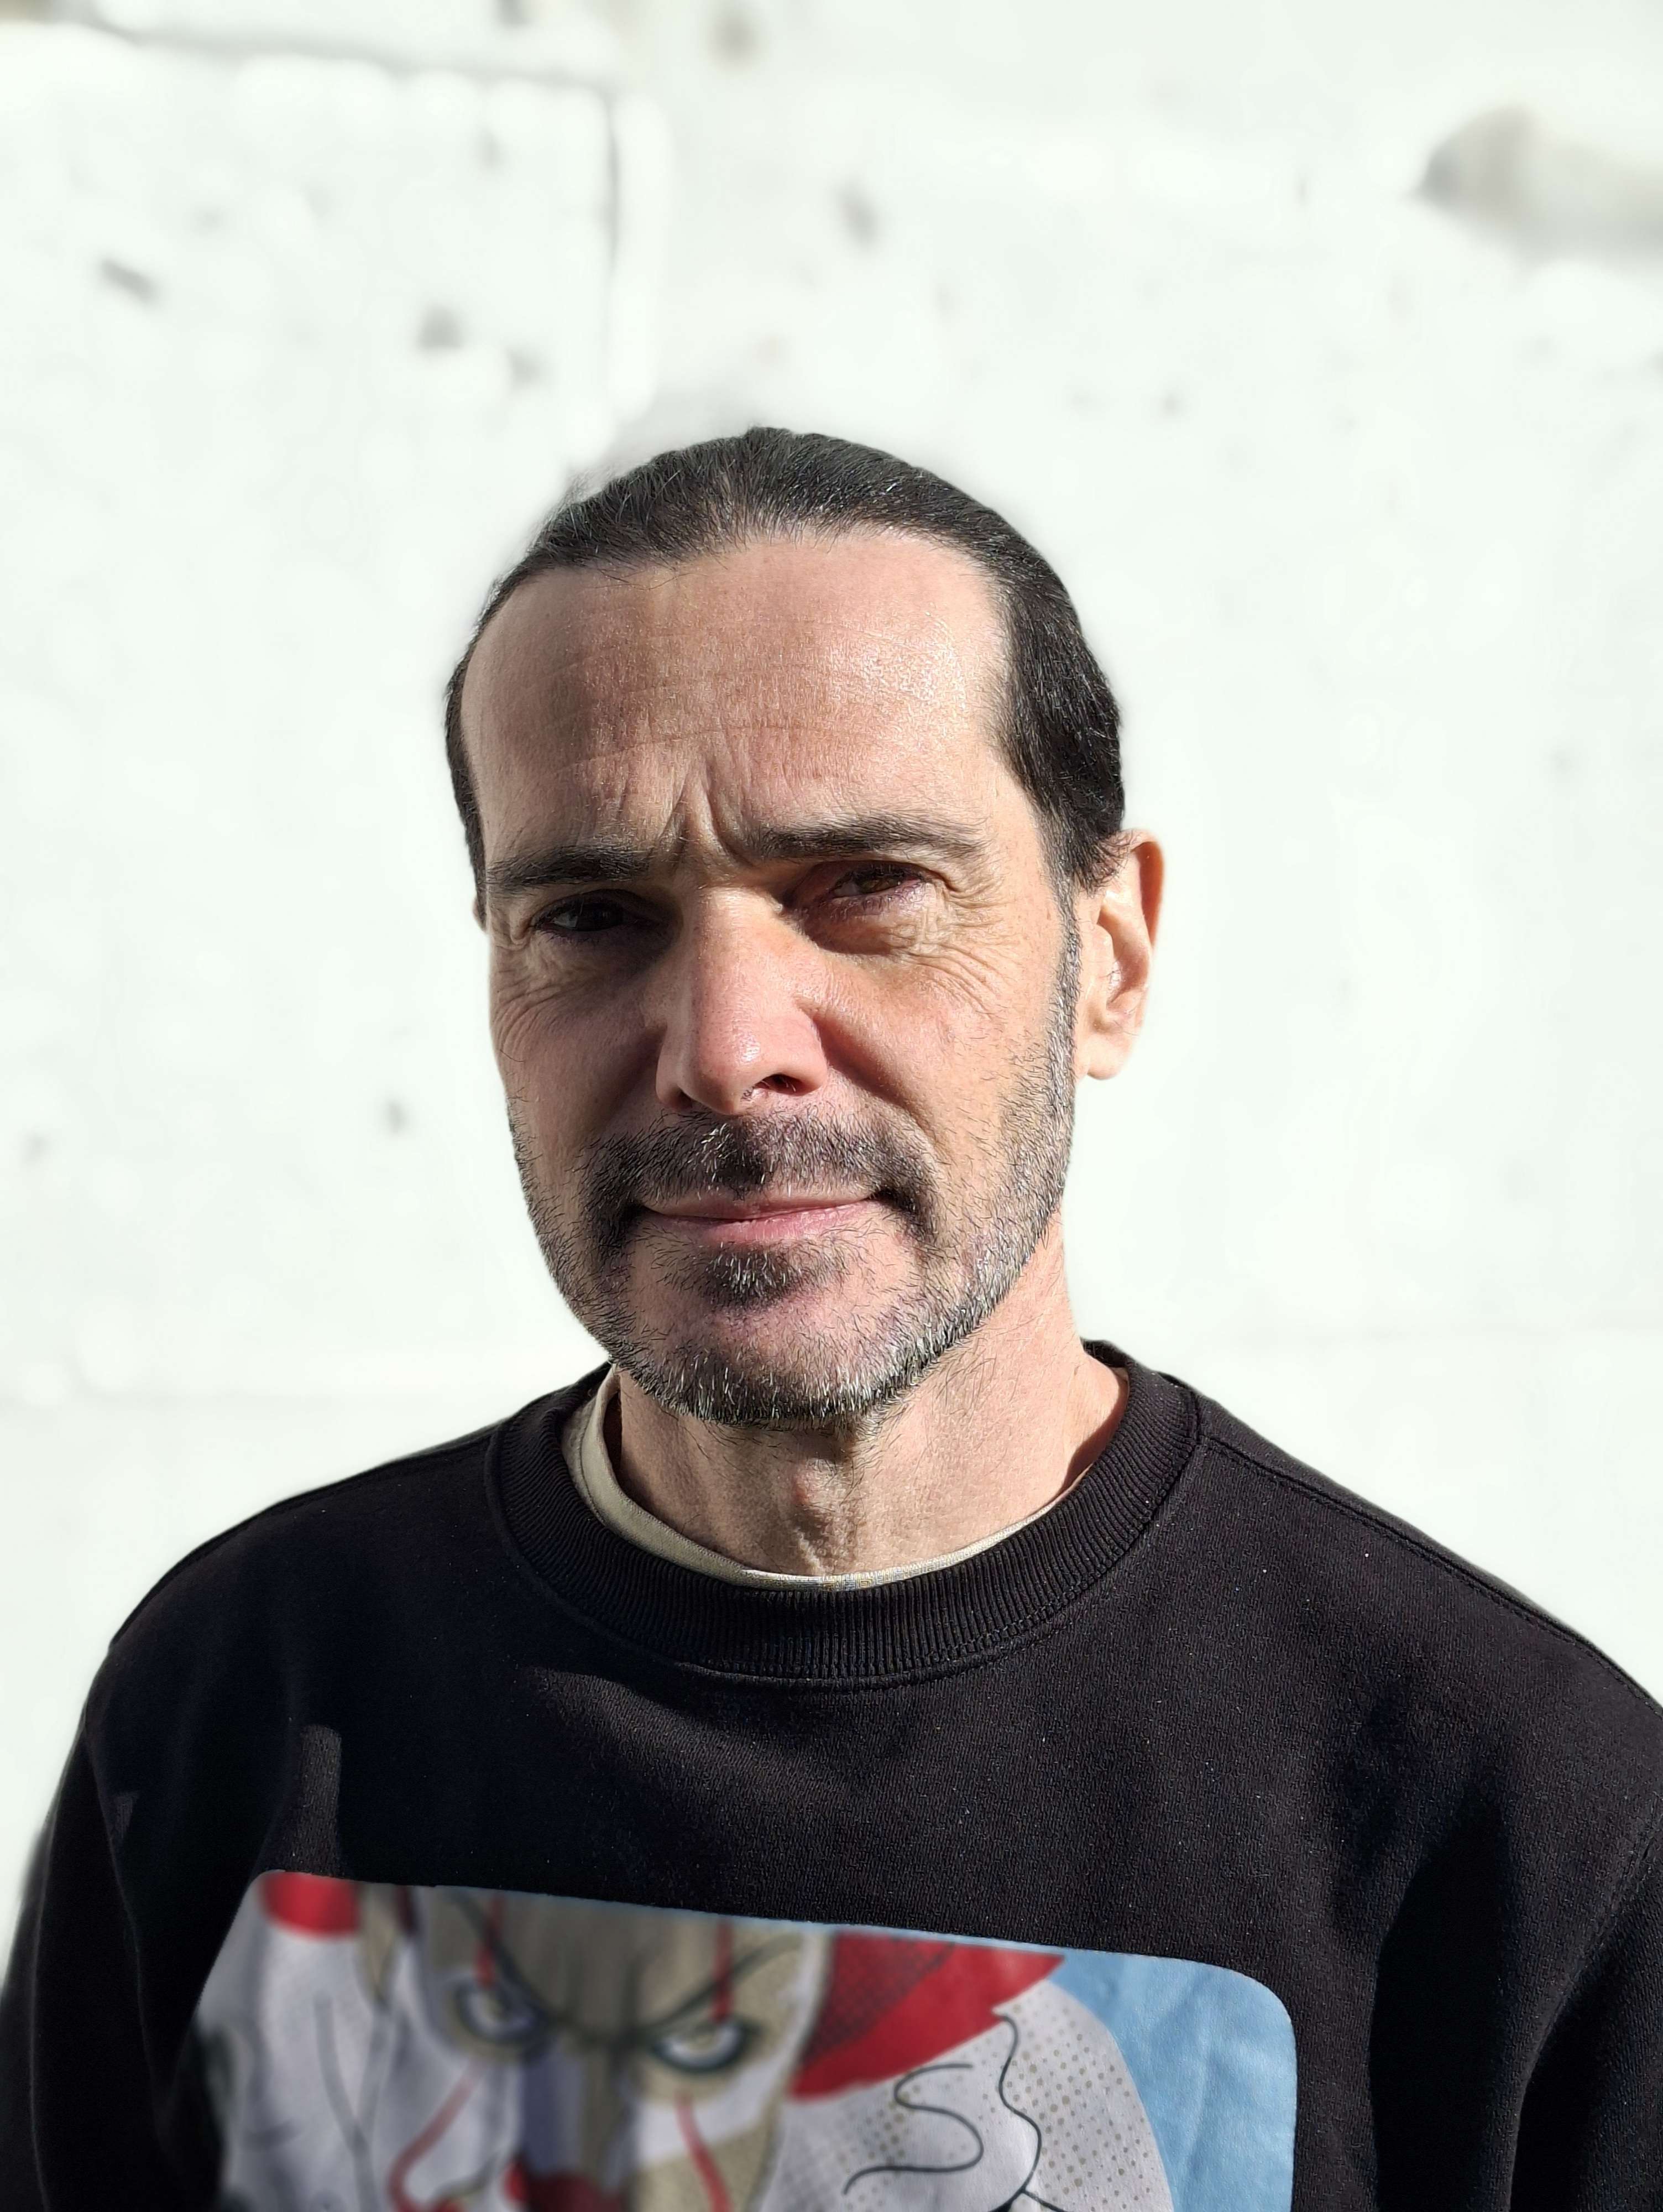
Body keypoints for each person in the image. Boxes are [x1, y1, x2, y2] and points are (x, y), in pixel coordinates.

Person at [0, 428, 1657, 2210]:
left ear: (1109, 959)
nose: (726, 1048)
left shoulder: (1514, 1818)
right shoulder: (241, 1703)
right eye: (593, 917)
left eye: (866, 892)